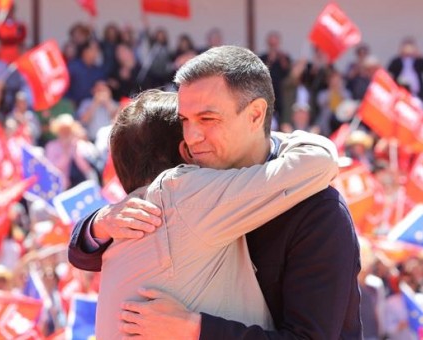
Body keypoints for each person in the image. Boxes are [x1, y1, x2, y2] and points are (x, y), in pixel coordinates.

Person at [68, 45, 362, 339]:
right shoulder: (191, 192)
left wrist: (197, 329)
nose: (193, 137)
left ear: (256, 114)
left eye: (208, 119)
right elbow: (88, 255)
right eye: (184, 120)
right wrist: (101, 223)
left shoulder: (318, 211)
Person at [387, 37, 423, 102]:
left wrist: (419, 56)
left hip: (416, 93)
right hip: (400, 91)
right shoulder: (397, 60)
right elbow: (389, 70)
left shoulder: (418, 61)